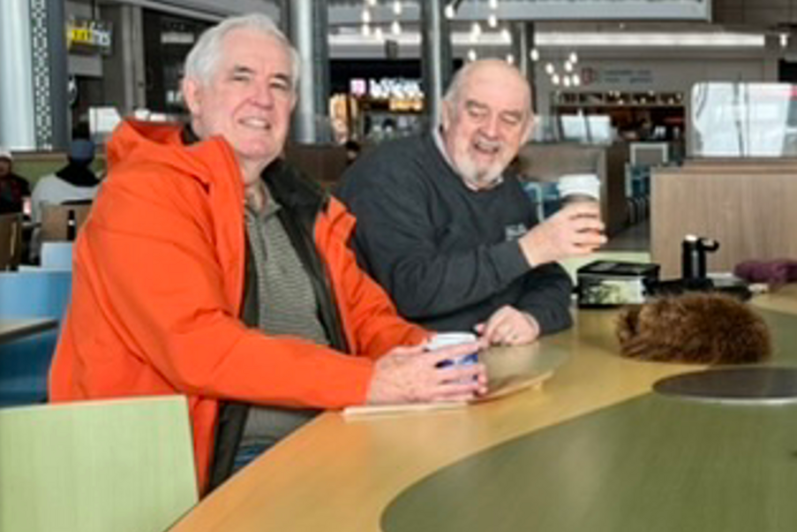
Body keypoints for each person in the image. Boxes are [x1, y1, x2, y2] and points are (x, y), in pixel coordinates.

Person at [49, 13, 486, 495]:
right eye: (242, 77)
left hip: (329, 433)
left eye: (279, 84)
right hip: (201, 467)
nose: (263, 97)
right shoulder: (144, 194)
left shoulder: (300, 204)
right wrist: (368, 383)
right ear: (194, 95)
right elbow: (198, 347)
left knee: (475, 477)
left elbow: (368, 317)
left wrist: (440, 359)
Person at [337, 60, 606, 345]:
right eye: (477, 112)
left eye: (510, 119)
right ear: (447, 114)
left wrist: (530, 318)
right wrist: (529, 249)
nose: (491, 131)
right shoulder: (388, 174)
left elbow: (551, 282)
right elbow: (411, 290)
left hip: (492, 366)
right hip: (399, 371)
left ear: (526, 133)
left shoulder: (506, 185)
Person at [29, 139, 101, 260]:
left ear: (68, 156)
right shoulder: (104, 189)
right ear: (92, 159)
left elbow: (35, 219)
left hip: (49, 255)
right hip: (93, 256)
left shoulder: (45, 184)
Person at [0, 148, 31, 215]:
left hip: (15, 221)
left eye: (5, 162)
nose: (1, 165)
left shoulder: (21, 182)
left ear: (10, 165)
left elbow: (27, 208)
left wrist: (26, 220)